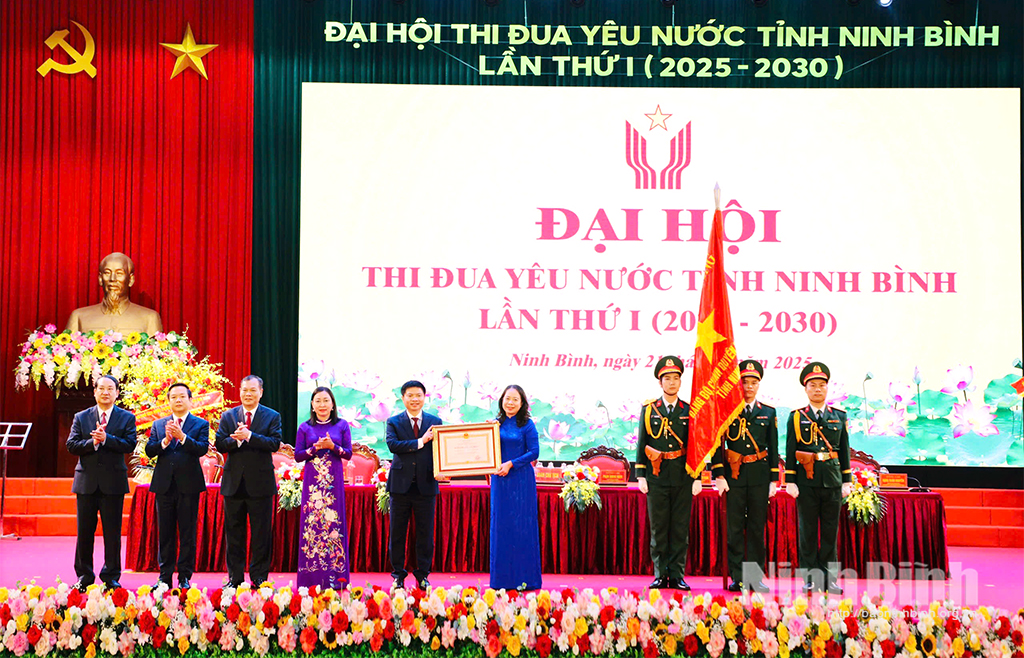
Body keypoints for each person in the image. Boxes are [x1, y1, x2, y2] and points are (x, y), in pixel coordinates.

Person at [784, 361, 852, 595]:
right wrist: (790, 480)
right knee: (808, 532)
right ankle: (810, 578)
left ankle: (830, 580)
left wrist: (847, 480)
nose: (817, 389)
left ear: (827, 388)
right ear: (805, 389)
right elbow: (790, 449)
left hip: (832, 480)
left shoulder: (839, 416)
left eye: (821, 385)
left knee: (830, 532)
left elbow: (844, 450)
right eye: (812, 385)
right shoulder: (796, 417)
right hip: (806, 482)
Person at [635, 356, 702, 590]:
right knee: (659, 528)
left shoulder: (689, 410)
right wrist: (641, 475)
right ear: (660, 382)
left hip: (683, 476)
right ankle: (660, 574)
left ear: (680, 382)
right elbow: (642, 442)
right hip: (656, 476)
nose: (672, 382)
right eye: (667, 379)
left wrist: (697, 477)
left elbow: (695, 445)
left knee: (680, 529)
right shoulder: (649, 410)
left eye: (675, 378)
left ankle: (677, 575)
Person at [711, 360, 777, 593]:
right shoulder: (726, 411)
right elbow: (717, 445)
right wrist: (719, 474)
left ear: (759, 384)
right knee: (735, 529)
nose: (749, 387)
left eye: (753, 382)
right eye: (745, 382)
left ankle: (755, 579)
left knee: (757, 529)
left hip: (759, 476)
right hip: (734, 477)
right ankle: (737, 577)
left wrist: (773, 479)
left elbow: (773, 447)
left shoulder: (768, 412)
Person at [66, 375, 137, 590]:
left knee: (112, 533)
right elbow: (72, 445)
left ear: (117, 393)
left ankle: (111, 576)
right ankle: (84, 576)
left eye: (110, 389)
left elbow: (129, 444)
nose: (106, 392)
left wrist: (107, 439)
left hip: (113, 483)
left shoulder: (126, 418)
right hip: (86, 482)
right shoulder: (81, 417)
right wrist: (93, 442)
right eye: (102, 389)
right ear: (95, 392)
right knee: (84, 532)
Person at [215, 375, 282, 587]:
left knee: (261, 534)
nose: (248, 394)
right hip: (233, 484)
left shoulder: (272, 416)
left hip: (261, 484)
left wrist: (250, 436)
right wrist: (236, 441)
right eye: (244, 390)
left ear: (261, 392)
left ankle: (259, 578)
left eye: (253, 390)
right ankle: (235, 579)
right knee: (234, 534)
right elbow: (219, 444)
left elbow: (274, 443)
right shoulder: (228, 416)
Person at [145, 382, 210, 589]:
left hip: (188, 486)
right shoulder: (159, 424)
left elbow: (201, 449)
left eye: (182, 396)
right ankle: (164, 577)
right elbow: (149, 450)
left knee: (187, 533)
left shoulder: (200, 424)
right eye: (174, 397)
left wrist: (182, 437)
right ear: (169, 401)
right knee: (165, 533)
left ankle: (184, 577)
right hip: (164, 486)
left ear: (190, 400)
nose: (178, 400)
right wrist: (165, 441)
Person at [385, 380, 443, 590]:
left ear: (424, 397)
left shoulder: (435, 421)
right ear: (403, 398)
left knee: (425, 534)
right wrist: (422, 441)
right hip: (400, 486)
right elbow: (393, 445)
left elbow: (441, 450)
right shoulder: (393, 421)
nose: (414, 399)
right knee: (397, 533)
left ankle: (423, 575)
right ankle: (398, 575)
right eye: (410, 395)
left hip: (426, 485)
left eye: (418, 395)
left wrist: (445, 467)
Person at [294, 386, 353, 589]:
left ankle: (336, 578)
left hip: (333, 484)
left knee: (334, 525)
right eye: (318, 401)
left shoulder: (342, 425)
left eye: (326, 400)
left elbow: (348, 453)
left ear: (332, 404)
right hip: (313, 486)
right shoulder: (304, 427)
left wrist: (332, 447)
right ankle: (310, 578)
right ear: (312, 404)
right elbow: (298, 456)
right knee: (312, 526)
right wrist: (315, 448)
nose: (322, 405)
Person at [489, 384, 542, 591]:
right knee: (501, 526)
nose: (510, 403)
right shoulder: (494, 424)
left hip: (521, 481)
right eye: (507, 399)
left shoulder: (527, 424)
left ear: (522, 403)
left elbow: (534, 452)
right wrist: (485, 432)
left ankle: (526, 579)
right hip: (500, 481)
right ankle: (501, 581)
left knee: (522, 527)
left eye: (515, 399)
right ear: (501, 401)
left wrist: (511, 464)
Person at [64, 252, 163, 334]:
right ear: (100, 279)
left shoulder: (149, 318)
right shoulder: (79, 317)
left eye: (119, 273)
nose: (112, 279)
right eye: (107, 273)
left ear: (130, 280)